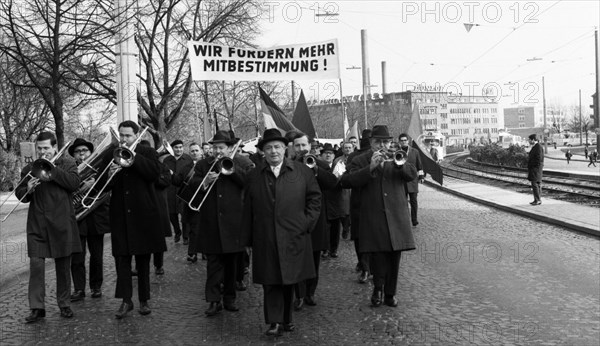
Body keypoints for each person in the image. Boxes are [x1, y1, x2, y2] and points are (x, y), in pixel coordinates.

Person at [244, 128, 321, 336]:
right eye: (268, 148)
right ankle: (274, 321)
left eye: (277, 147)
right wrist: (249, 238)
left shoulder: (301, 171)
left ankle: (287, 319)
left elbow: (314, 199)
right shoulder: (253, 176)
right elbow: (246, 208)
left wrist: (306, 224)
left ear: (285, 149)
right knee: (271, 281)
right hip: (265, 237)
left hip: (294, 235)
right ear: (262, 152)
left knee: (290, 278)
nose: (273, 151)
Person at [340, 125, 417, 308]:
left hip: (396, 217)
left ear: (390, 142)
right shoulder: (360, 160)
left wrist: (399, 164)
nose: (382, 145)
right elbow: (346, 181)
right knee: (378, 257)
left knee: (394, 257)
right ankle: (378, 289)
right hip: (373, 215)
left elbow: (411, 175)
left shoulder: (397, 157)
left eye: (386, 141)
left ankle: (390, 293)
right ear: (371, 142)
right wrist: (371, 167)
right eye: (378, 142)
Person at [16, 132, 82, 323]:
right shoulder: (30, 168)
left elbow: (74, 184)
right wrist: (27, 187)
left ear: (54, 148)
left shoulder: (67, 163)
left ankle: (64, 304)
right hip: (38, 224)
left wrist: (52, 170)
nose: (43, 152)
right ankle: (37, 308)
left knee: (63, 266)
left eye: (46, 148)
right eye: (40, 148)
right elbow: (21, 195)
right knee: (36, 266)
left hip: (61, 222)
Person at [106, 121, 167, 318]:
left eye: (128, 136)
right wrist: (110, 174)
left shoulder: (147, 153)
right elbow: (104, 185)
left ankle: (144, 300)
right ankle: (126, 301)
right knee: (122, 260)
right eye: (121, 135)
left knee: (143, 260)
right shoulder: (112, 154)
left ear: (137, 136)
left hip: (143, 213)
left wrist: (134, 158)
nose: (123, 139)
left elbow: (155, 174)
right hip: (121, 214)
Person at [194, 131, 254, 316]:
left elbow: (247, 183)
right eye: (214, 148)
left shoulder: (240, 163)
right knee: (213, 264)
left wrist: (231, 170)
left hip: (233, 222)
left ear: (229, 148)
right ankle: (213, 301)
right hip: (211, 221)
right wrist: (205, 182)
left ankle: (229, 298)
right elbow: (192, 184)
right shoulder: (204, 164)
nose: (217, 151)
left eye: (221, 148)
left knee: (231, 265)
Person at [290, 134, 337, 311]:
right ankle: (299, 295)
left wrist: (316, 170)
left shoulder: (322, 164)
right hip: (295, 218)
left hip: (316, 218)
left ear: (309, 146)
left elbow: (333, 184)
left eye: (304, 145)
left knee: (314, 258)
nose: (301, 149)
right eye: (297, 146)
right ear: (293, 147)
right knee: (297, 259)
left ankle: (310, 292)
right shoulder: (289, 165)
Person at [69, 138, 110, 302]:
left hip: (95, 217)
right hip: (77, 218)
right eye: (78, 152)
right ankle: (79, 289)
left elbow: (109, 184)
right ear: (74, 155)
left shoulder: (100, 168)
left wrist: (95, 182)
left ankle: (96, 287)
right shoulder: (71, 170)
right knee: (77, 256)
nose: (81, 154)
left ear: (90, 152)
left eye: (84, 151)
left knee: (97, 255)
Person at [342, 129, 372, 284]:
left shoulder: (387, 155)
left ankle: (365, 266)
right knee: (361, 237)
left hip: (362, 203)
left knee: (362, 238)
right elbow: (348, 179)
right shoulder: (355, 157)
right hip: (359, 201)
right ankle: (366, 267)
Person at [163, 140, 192, 243]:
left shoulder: (188, 159)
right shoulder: (166, 160)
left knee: (184, 213)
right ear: (172, 148)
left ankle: (185, 236)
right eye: (176, 147)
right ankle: (177, 231)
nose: (179, 149)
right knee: (171, 213)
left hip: (183, 189)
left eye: (180, 147)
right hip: (170, 189)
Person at [398, 133, 425, 226]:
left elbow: (420, 165)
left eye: (405, 140)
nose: (403, 142)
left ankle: (414, 219)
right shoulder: (397, 152)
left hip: (413, 181)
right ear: (399, 142)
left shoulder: (415, 152)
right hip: (402, 181)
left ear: (408, 141)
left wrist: (421, 177)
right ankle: (405, 219)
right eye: (401, 140)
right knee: (403, 201)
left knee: (414, 201)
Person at [332, 142, 354, 240]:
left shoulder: (357, 159)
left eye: (350, 147)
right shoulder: (337, 160)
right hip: (342, 189)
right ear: (342, 149)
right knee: (344, 210)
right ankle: (345, 228)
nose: (348, 149)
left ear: (353, 148)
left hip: (353, 188)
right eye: (346, 148)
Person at [527, 134, 544, 205]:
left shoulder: (538, 147)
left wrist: (532, 165)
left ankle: (537, 200)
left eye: (530, 140)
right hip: (536, 168)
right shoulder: (536, 146)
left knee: (535, 184)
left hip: (536, 168)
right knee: (537, 184)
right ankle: (537, 199)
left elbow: (538, 159)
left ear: (533, 140)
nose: (529, 141)